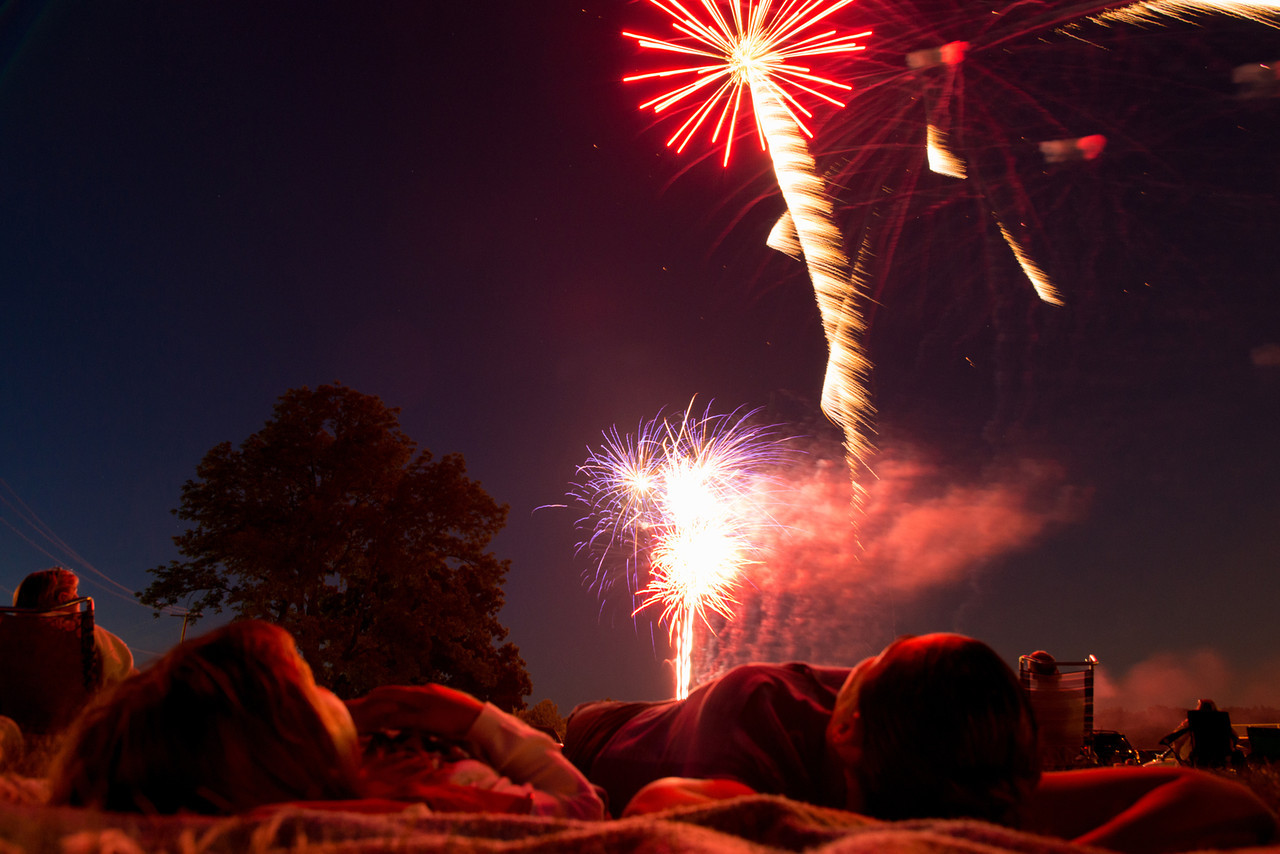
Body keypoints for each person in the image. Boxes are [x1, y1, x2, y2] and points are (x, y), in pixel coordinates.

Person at [566, 634, 1277, 853]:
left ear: (848, 727)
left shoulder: (955, 766)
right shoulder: (752, 725)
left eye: (873, 664)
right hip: (600, 730)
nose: (852, 664)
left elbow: (1212, 796)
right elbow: (662, 808)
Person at [48, 620, 603, 819]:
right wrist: (472, 717)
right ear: (293, 740)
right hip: (566, 754)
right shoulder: (429, 789)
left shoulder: (355, 768)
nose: (333, 690)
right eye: (311, 683)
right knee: (613, 741)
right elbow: (583, 809)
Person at [11, 567, 134, 684]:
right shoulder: (88, 634)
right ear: (63, 598)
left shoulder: (9, 634)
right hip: (89, 705)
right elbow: (124, 677)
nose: (78, 598)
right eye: (75, 592)